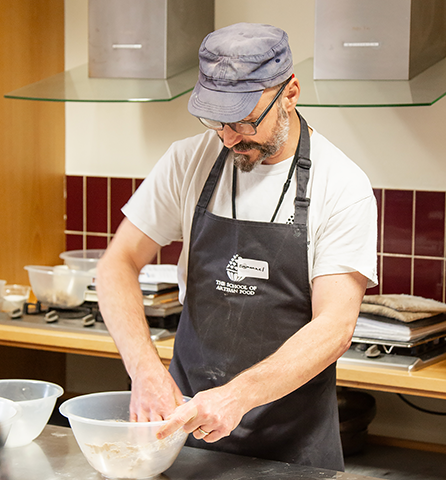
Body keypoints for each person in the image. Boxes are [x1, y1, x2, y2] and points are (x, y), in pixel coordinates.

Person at [96, 22, 377, 471]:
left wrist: (236, 397)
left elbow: (336, 325)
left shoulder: (341, 185)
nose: (228, 138)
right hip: (184, 439)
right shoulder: (188, 160)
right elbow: (116, 265)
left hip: (293, 452)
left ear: (290, 93)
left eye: (245, 120)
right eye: (216, 120)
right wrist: (145, 369)